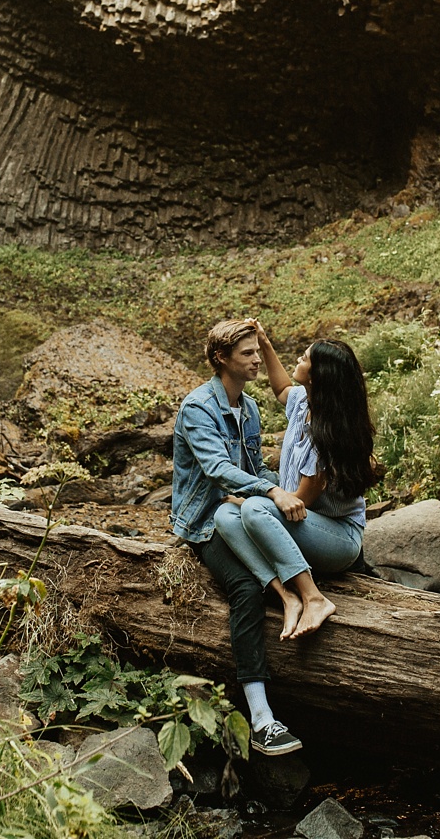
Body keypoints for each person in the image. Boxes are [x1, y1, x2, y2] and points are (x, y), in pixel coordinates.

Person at [171, 320, 307, 756]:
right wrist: (271, 491)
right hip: (206, 520)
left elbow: (255, 469)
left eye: (256, 352)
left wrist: (294, 493)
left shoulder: (248, 408)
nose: (256, 360)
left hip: (243, 510)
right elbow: (216, 470)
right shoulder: (197, 408)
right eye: (247, 354)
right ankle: (262, 719)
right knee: (246, 589)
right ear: (221, 360)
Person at [213, 326, 374, 642]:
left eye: (305, 357)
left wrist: (244, 500)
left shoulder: (326, 438)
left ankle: (314, 598)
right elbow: (282, 388)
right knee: (224, 518)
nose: (299, 358)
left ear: (317, 377)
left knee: (254, 508)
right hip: (305, 526)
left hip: (337, 538)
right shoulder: (305, 401)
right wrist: (266, 344)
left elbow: (298, 506)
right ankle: (286, 596)